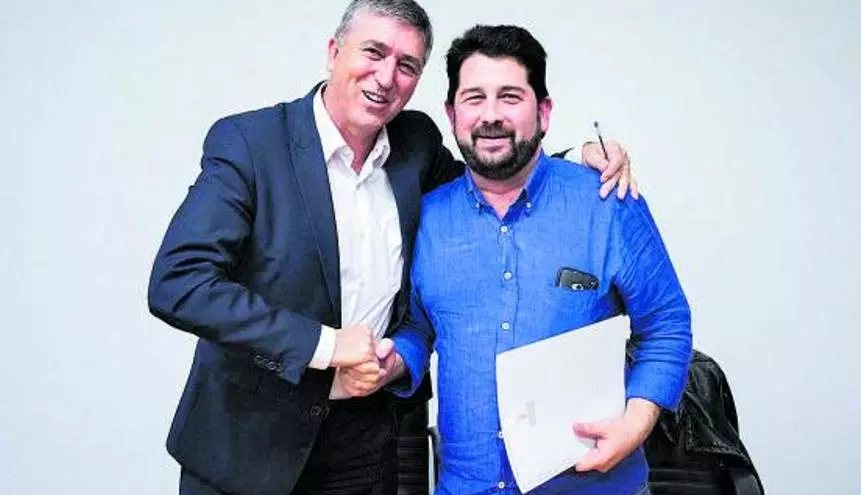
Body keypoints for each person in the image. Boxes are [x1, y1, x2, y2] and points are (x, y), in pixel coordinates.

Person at [147, 1, 635, 493]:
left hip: (365, 440)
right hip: (246, 443)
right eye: (373, 52)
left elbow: (486, 186)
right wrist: (325, 345)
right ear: (334, 52)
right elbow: (180, 282)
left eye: (407, 65)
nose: (386, 77)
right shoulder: (251, 144)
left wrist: (575, 161)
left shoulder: (415, 144)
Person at [341, 24, 692, 495]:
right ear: (452, 114)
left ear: (543, 111)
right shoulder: (426, 216)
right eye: (474, 98)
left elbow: (667, 323)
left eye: (509, 97)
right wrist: (394, 362)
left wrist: (636, 423)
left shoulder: (607, 202)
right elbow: (419, 328)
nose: (490, 115)